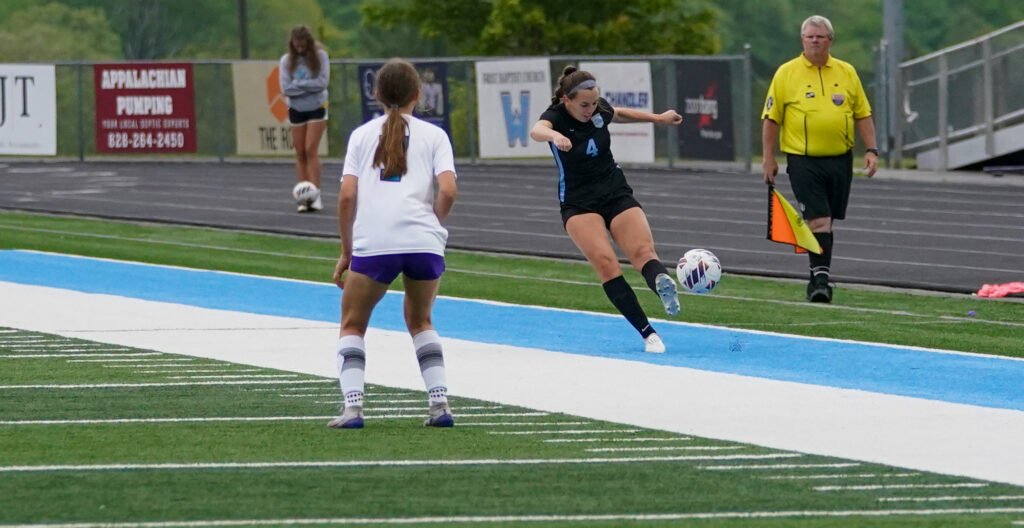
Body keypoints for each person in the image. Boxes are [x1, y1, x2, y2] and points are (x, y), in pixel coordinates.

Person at [328, 58, 458, 429]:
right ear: (418, 93)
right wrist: (431, 224)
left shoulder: (361, 135)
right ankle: (439, 404)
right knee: (421, 320)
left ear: (376, 94)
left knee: (353, 324)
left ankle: (353, 408)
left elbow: (346, 196)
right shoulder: (435, 136)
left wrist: (346, 251)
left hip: (376, 242)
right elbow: (448, 190)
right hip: (423, 241)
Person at [530, 65, 683, 354]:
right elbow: (537, 130)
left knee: (643, 252)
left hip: (615, 191)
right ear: (567, 100)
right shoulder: (556, 116)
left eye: (594, 103)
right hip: (579, 202)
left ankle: (662, 284)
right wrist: (554, 137)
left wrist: (658, 119)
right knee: (606, 263)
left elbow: (620, 113)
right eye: (584, 105)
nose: (591, 110)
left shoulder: (598, 109)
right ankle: (648, 333)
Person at [762, 15, 878, 303]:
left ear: (830, 40)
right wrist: (768, 158)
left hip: (840, 160)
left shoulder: (846, 72)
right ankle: (822, 284)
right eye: (810, 36)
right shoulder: (786, 73)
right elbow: (771, 118)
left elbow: (862, 113)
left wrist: (872, 150)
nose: (814, 41)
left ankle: (815, 276)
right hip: (803, 160)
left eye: (820, 36)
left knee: (827, 222)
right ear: (802, 40)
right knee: (819, 220)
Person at [279, 25, 330, 213]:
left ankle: (315, 195)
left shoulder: (320, 57)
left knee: (310, 150)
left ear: (308, 43)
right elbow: (286, 88)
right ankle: (304, 195)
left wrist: (298, 84)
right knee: (300, 152)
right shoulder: (286, 61)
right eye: (296, 45)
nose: (300, 48)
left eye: (303, 45)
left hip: (317, 107)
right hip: (296, 108)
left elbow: (322, 83)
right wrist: (308, 86)